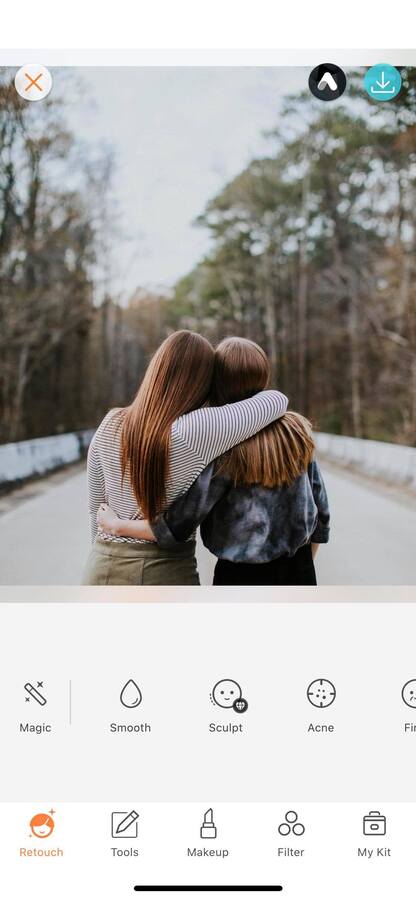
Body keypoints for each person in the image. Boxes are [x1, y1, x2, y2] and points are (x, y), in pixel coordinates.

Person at [98, 336, 330, 586]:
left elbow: (176, 527)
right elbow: (322, 512)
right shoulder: (296, 432)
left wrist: (117, 525)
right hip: (300, 569)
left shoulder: (224, 443)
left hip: (239, 577)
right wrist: (305, 565)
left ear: (217, 381)